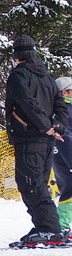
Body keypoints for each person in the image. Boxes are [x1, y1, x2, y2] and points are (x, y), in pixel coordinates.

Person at [5, 35, 67, 245]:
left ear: (16, 55)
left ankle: (49, 228)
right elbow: (60, 103)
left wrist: (47, 126)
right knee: (37, 182)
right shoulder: (47, 77)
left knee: (31, 184)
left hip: (30, 137)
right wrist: (58, 125)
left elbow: (27, 102)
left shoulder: (18, 75)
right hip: (45, 139)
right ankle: (45, 225)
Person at [53, 76, 72, 231]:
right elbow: (66, 135)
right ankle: (63, 225)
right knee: (68, 189)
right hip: (66, 153)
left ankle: (63, 225)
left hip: (62, 154)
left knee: (68, 189)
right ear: (64, 93)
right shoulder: (65, 109)